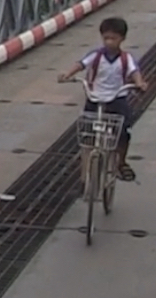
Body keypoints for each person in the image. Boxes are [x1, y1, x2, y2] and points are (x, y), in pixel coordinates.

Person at [57, 16, 149, 181]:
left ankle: (121, 162)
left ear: (122, 38)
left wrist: (139, 83)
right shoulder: (96, 56)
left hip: (116, 98)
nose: (109, 42)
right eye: (106, 38)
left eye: (113, 38)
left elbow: (134, 72)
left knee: (123, 131)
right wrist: (67, 74)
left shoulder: (125, 59)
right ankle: (86, 169)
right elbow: (81, 64)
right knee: (87, 132)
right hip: (95, 98)